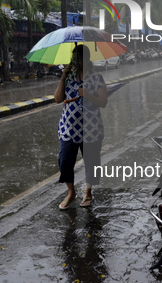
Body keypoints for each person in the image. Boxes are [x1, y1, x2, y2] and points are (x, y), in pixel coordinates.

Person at [54, 45, 108, 210]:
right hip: (68, 129)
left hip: (90, 129)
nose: (77, 62)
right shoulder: (69, 76)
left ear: (87, 60)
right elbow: (57, 99)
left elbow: (103, 102)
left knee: (91, 162)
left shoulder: (96, 77)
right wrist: (63, 77)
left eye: (80, 59)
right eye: (75, 58)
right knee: (65, 162)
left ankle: (88, 191)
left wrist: (88, 94)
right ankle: (71, 192)